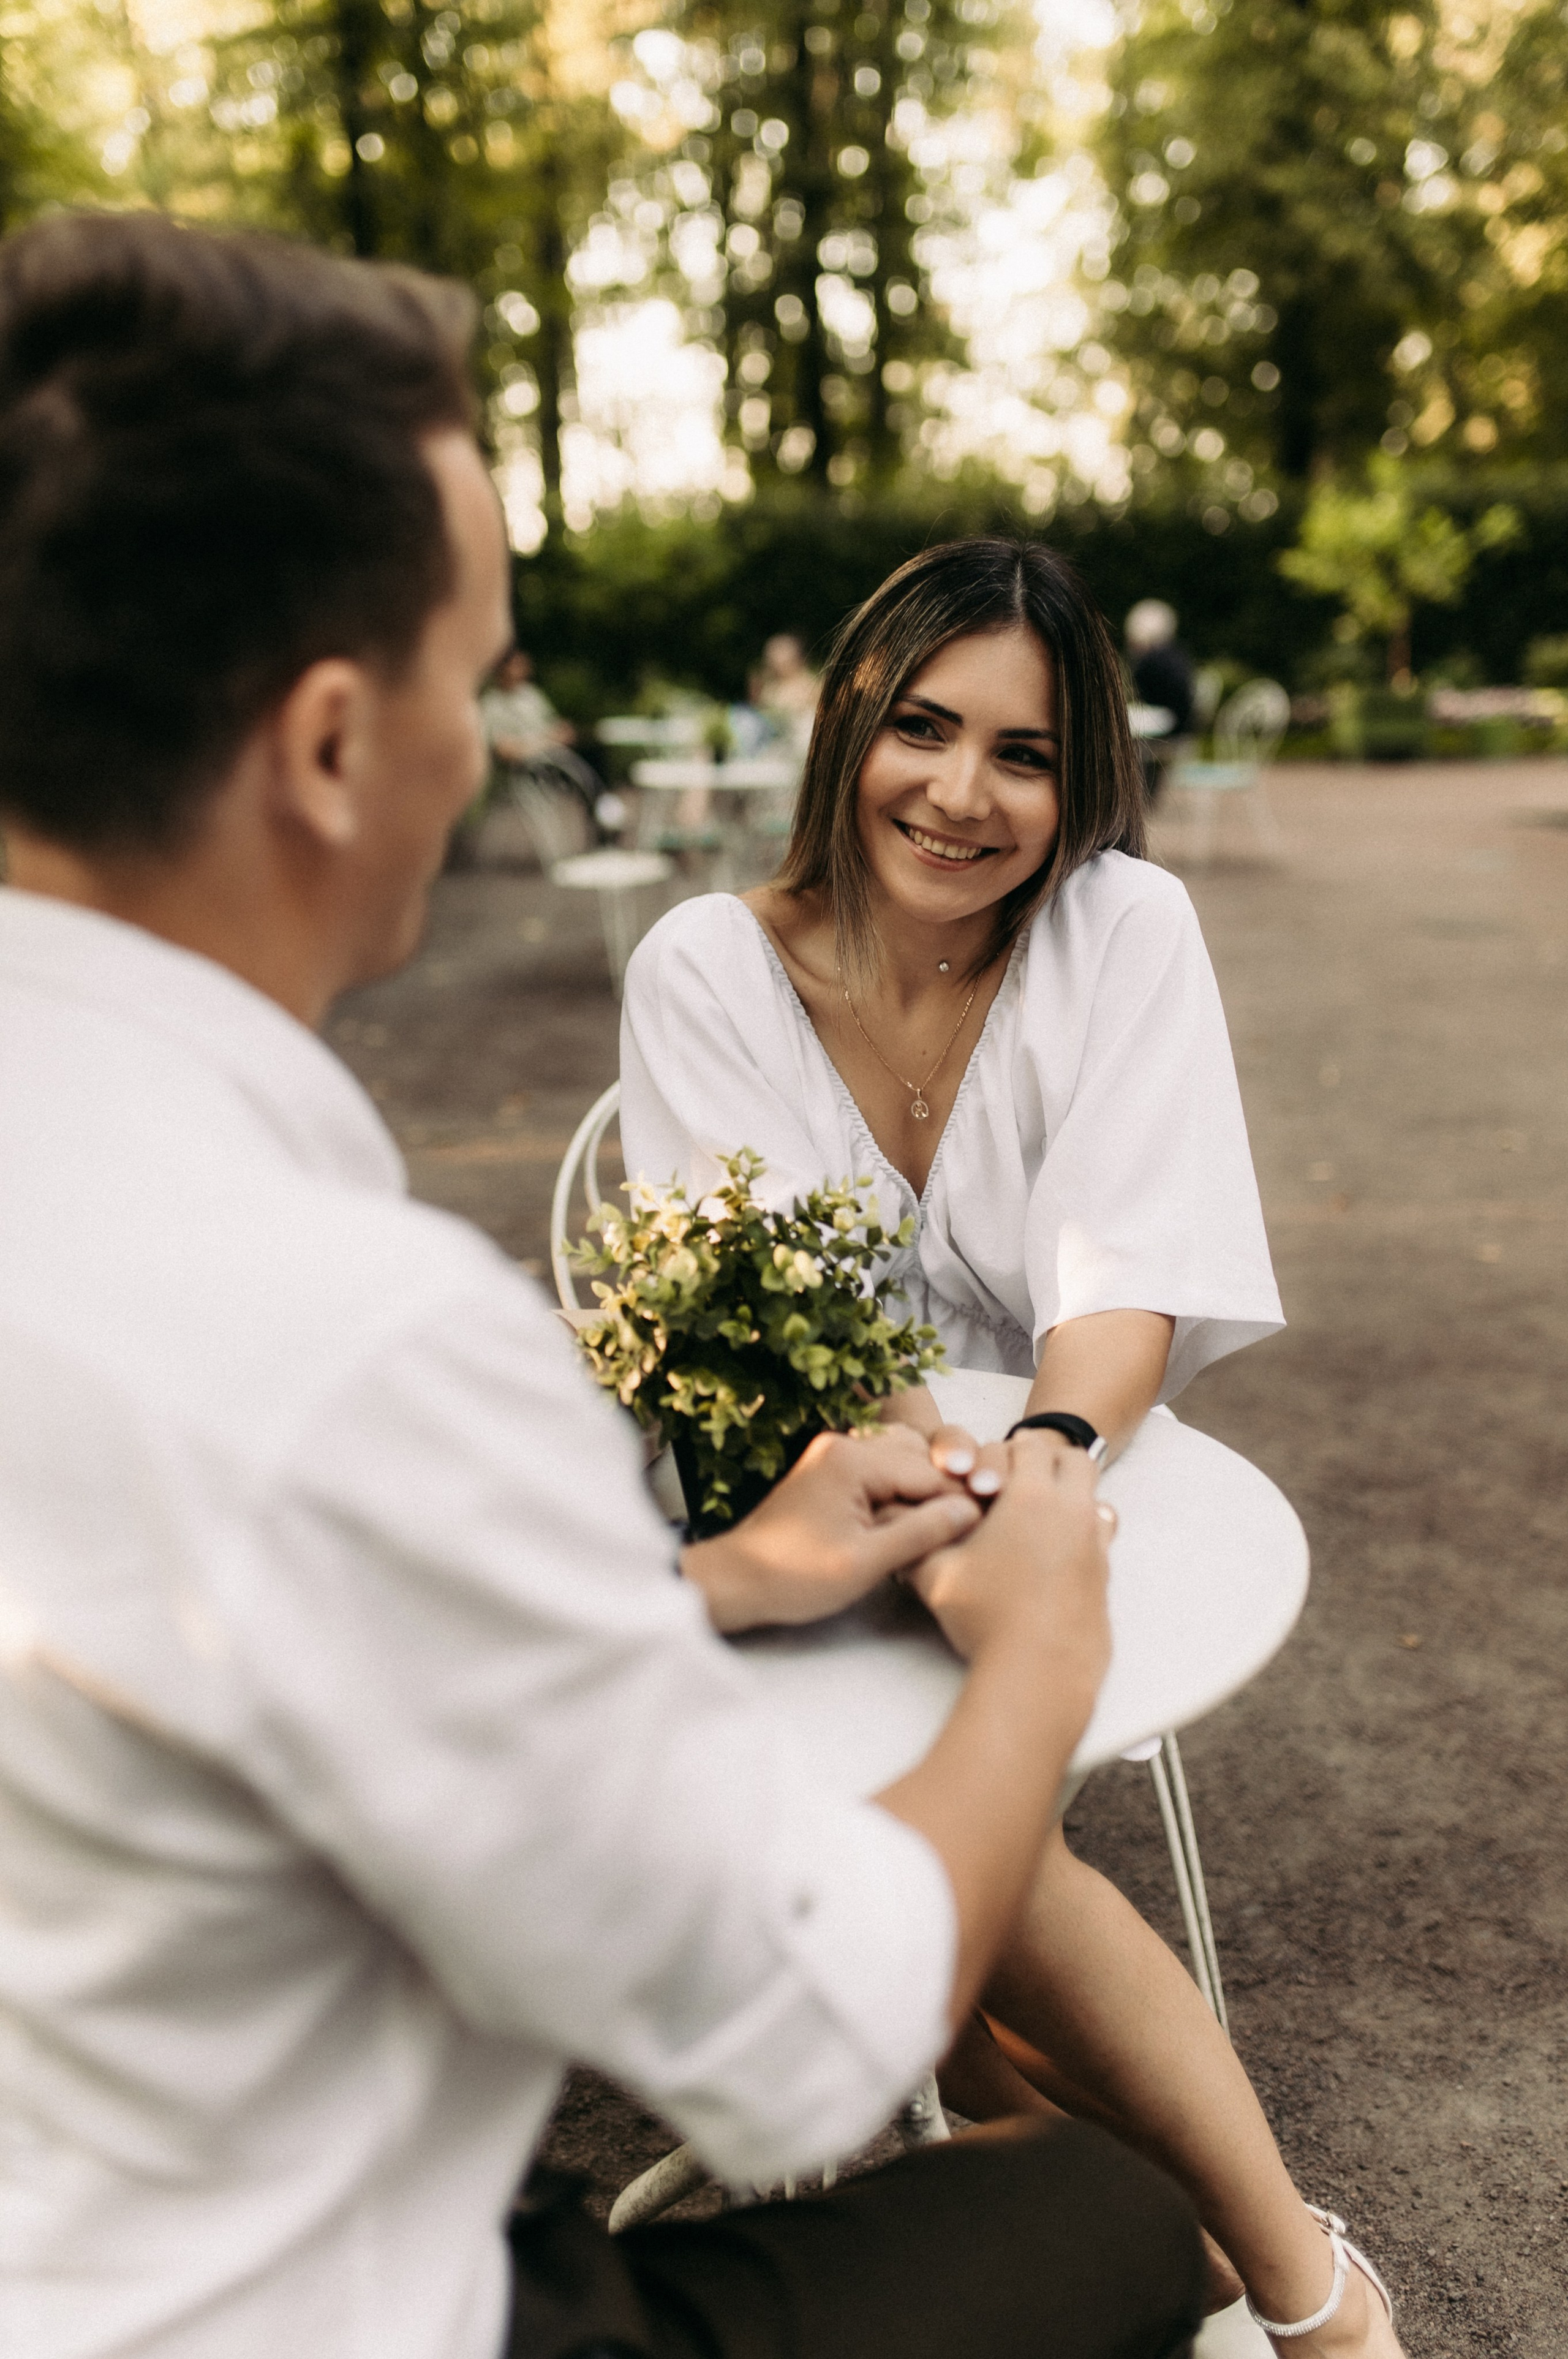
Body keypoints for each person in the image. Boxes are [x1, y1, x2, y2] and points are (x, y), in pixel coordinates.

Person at [0, 216, 1206, 2359]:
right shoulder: (353, 1342)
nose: (495, 744)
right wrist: (1041, 1647)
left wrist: (707, 1581)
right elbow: (796, 2031)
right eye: (481, 680)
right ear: (335, 743)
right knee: (1107, 2222)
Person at [620, 538, 1404, 2359]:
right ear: (847, 726)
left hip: (1062, 1464)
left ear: (1082, 779)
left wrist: (1037, 1470)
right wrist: (936, 1505)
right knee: (936, 1777)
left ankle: (1115, 2208)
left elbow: (1127, 1275)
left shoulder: (1123, 929)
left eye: (1024, 754)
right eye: (921, 727)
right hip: (785, 1476)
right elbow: (781, 1333)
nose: (960, 793)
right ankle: (1294, 2283)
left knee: (931, 1792)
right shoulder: (701, 970)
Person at [1125, 599, 1197, 804]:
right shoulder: (1175, 654)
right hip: (1183, 725)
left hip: (1169, 731)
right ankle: (1146, 794)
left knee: (1132, 741)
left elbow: (1140, 697)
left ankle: (1137, 794)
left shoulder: (1150, 662)